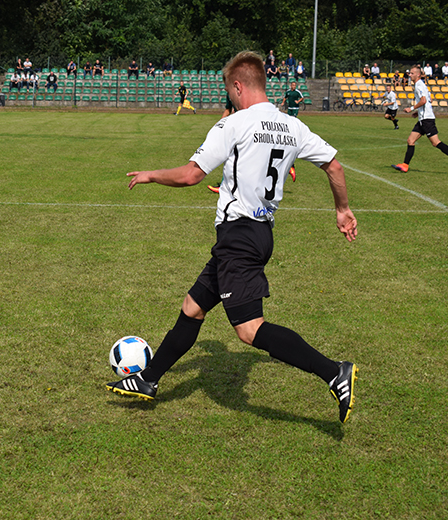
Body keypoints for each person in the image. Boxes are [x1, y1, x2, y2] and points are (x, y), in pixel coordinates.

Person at [107, 51, 359, 425]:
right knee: (193, 306)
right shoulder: (291, 125)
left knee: (248, 329)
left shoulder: (235, 124)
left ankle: (334, 371)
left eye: (231, 92)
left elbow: (192, 174)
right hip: (255, 234)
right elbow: (334, 165)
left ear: (238, 86)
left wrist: (151, 174)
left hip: (239, 236)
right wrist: (342, 209)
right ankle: (148, 379)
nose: (231, 99)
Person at [392, 64, 448, 174]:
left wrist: (411, 108)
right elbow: (429, 101)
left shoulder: (419, 85)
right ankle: (405, 165)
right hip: (422, 119)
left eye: (412, 73)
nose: (410, 75)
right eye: (409, 73)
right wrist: (418, 112)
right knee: (410, 140)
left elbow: (424, 100)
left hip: (427, 120)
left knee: (435, 143)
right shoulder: (420, 85)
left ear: (418, 75)